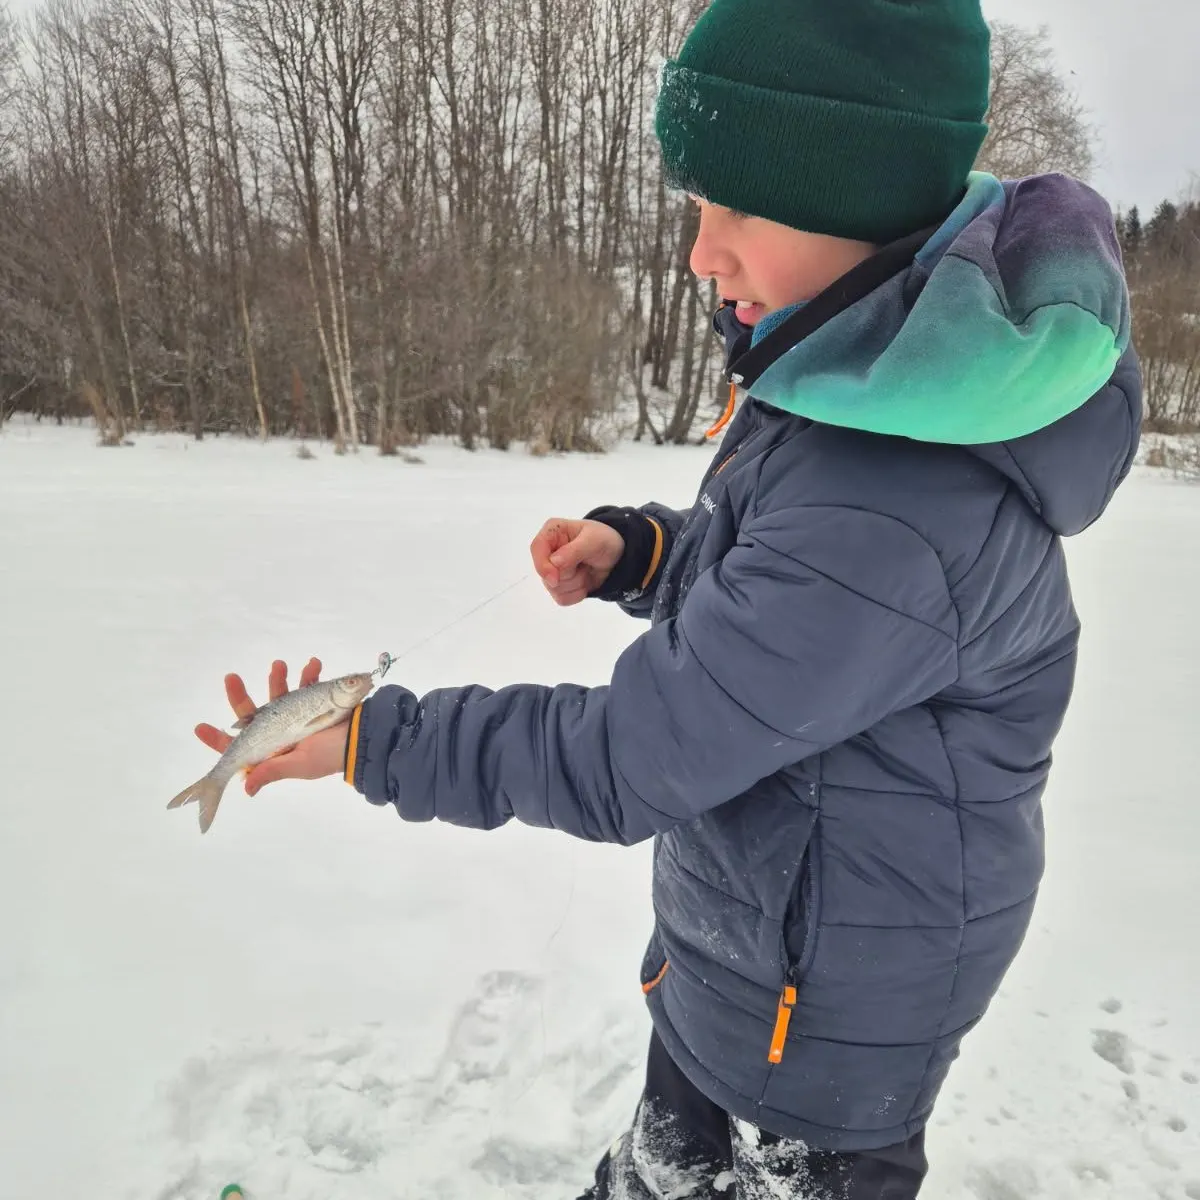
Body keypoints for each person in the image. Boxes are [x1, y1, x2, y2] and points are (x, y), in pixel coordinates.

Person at [194, 1, 1143, 1194]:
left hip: (831, 1026)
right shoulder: (870, 382)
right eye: (699, 205)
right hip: (761, 949)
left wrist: (376, 741)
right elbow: (777, 576)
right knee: (659, 1165)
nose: (701, 252)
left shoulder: (900, 504)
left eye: (740, 207)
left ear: (860, 200)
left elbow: (631, 756)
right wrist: (643, 553)